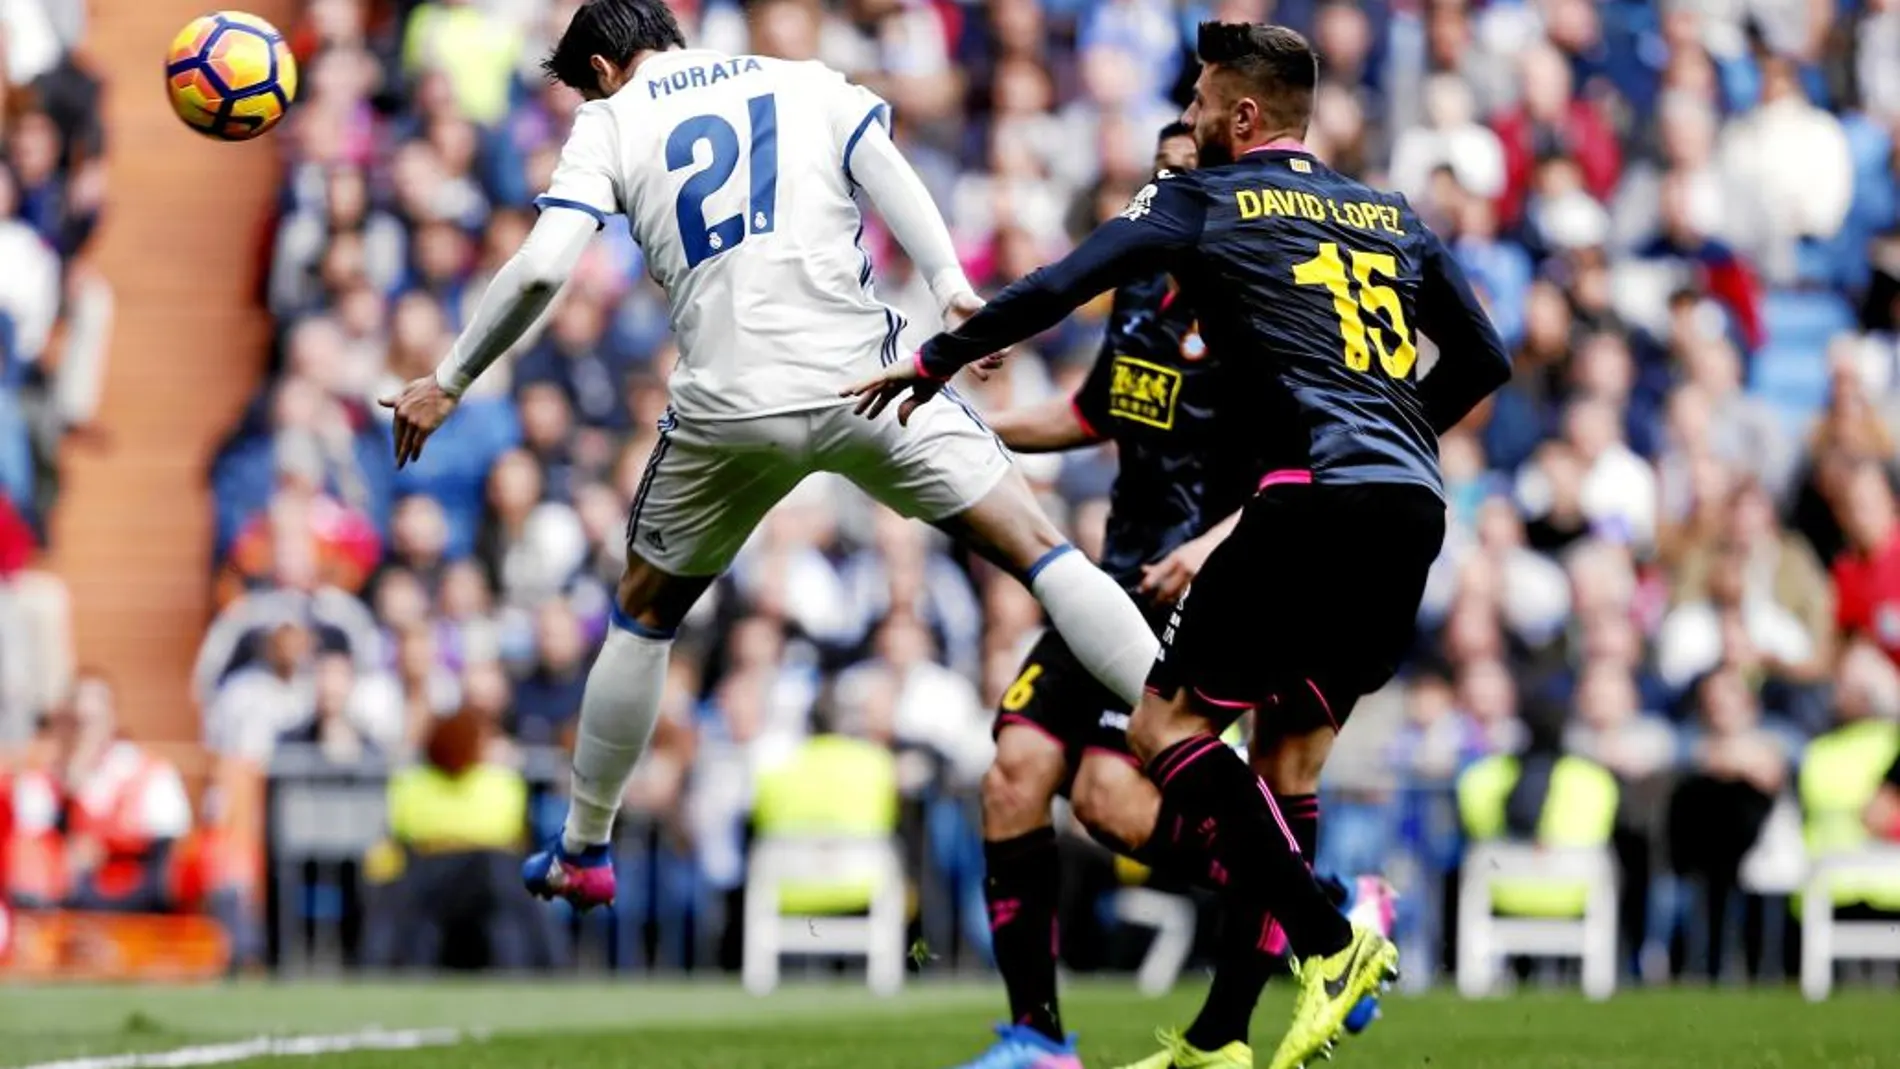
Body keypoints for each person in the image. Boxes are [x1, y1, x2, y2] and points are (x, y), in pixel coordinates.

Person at [377, 0, 1161, 911]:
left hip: (728, 407)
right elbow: (887, 173)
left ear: (599, 68)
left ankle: (586, 846)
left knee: (644, 613)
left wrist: (451, 376)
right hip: (869, 382)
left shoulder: (610, 119)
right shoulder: (804, 80)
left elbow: (548, 266)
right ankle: (1186, 732)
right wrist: (951, 288)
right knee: (1042, 550)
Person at [848, 23, 1509, 1069]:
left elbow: (1059, 281)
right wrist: (1401, 436)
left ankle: (1328, 933)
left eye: (1201, 98)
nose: (1190, 114)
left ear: (1242, 114)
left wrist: (934, 357)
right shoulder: (1385, 214)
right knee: (1281, 753)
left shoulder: (1203, 202)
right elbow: (1482, 353)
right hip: (1410, 511)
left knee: (1163, 734)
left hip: (1298, 508)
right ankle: (1216, 1037)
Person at [948, 123, 1390, 1069]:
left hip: (1219, 580)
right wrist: (962, 431)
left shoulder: (1270, 302)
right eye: (1161, 175)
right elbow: (1095, 410)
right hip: (1114, 580)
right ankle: (1039, 1039)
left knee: (1110, 801)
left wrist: (1215, 542)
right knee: (1014, 769)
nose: (1168, 193)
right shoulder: (1143, 291)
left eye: (1187, 175)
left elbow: (1317, 459)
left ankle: (1322, 907)